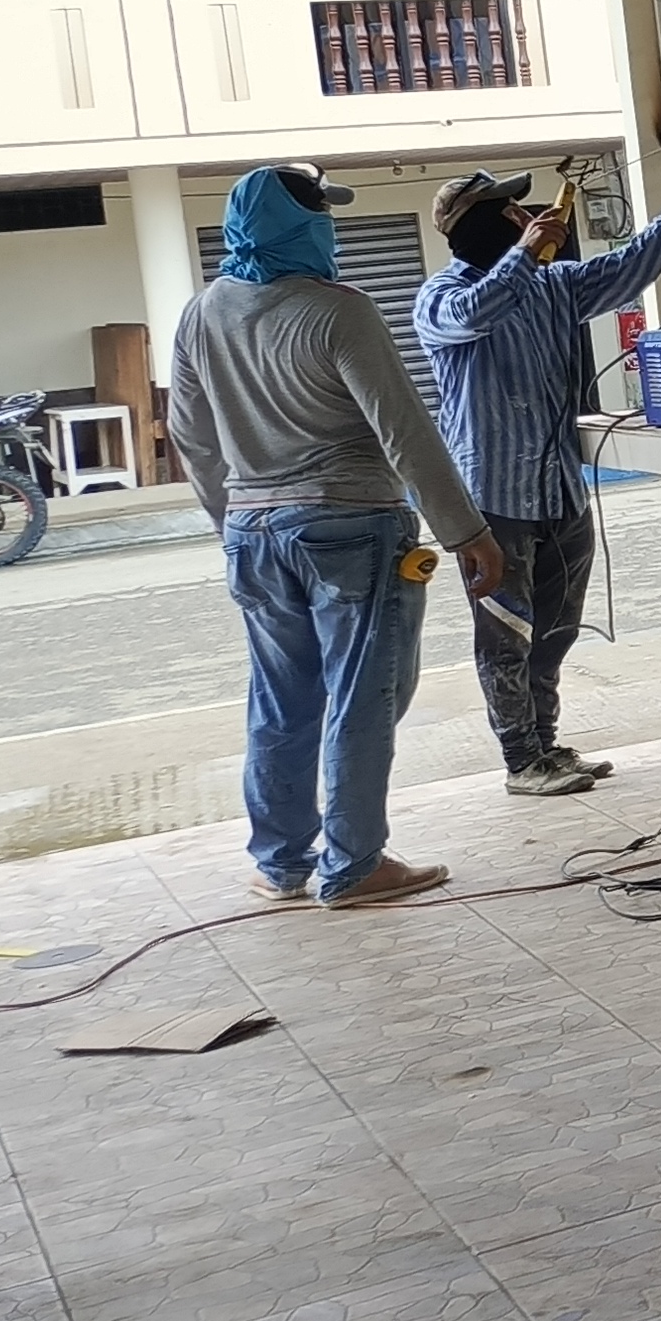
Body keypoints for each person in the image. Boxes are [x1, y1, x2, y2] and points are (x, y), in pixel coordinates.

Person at [172, 164, 504, 908]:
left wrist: (233, 522)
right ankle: (355, 864)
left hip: (253, 531)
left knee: (280, 700)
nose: (331, 226)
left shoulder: (202, 314)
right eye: (322, 213)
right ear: (302, 226)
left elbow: (191, 438)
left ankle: (281, 862)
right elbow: (403, 430)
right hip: (350, 527)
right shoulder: (339, 311)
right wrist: (466, 532)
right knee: (363, 694)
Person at [413, 153, 661, 796]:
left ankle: (547, 746)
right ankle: (521, 760)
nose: (522, 214)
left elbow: (631, 264)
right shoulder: (440, 297)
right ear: (474, 225)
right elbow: (473, 315)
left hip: (560, 489)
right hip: (493, 499)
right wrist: (525, 255)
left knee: (554, 630)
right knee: (506, 634)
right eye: (506, 208)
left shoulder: (555, 284)